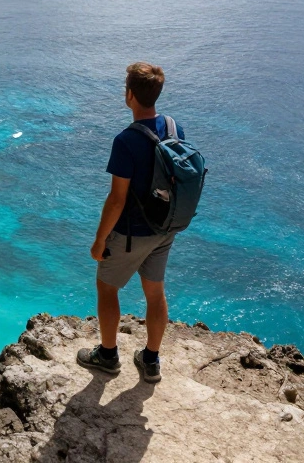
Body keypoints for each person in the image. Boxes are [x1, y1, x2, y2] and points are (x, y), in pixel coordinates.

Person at [76, 62, 183, 384]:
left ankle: (108, 356)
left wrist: (99, 240)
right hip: (164, 228)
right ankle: (151, 361)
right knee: (155, 292)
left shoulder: (126, 140)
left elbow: (117, 199)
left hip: (130, 234)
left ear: (130, 95)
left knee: (107, 287)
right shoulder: (174, 128)